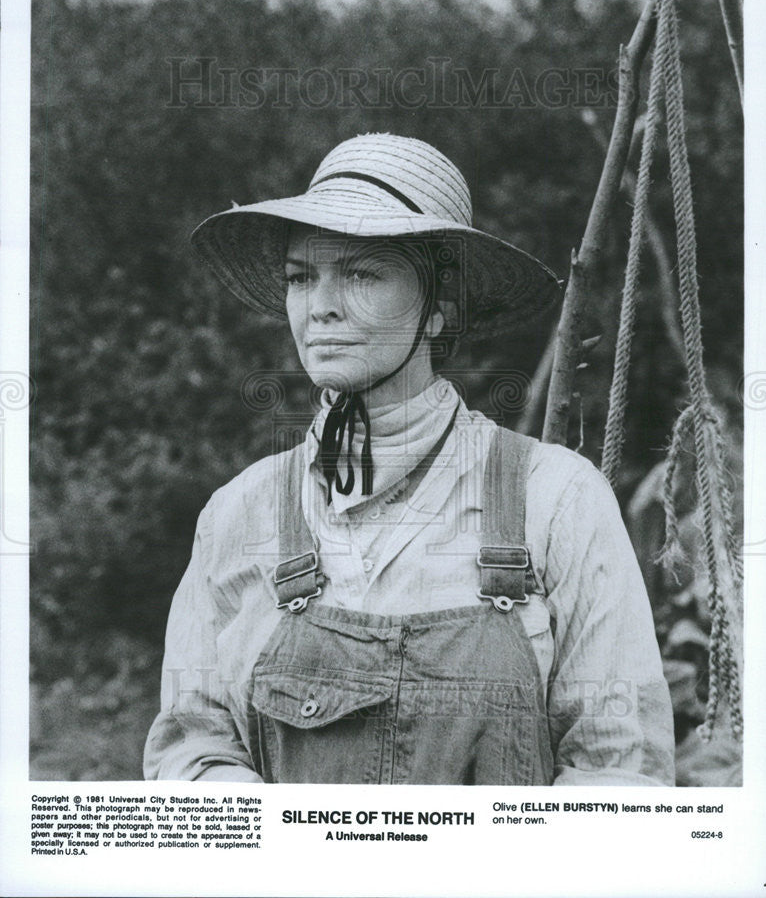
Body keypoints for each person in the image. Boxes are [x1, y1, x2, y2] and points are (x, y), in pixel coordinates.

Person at [144, 133, 675, 785]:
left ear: (436, 310)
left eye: (362, 273)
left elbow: (620, 772)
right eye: (301, 277)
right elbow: (189, 750)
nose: (321, 306)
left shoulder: (555, 499)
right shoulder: (237, 515)